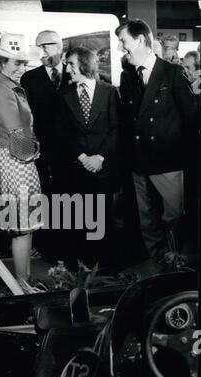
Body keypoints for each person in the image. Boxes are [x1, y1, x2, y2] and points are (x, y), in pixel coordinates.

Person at [116, 19, 198, 271]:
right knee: (147, 219)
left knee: (173, 216)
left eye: (124, 42)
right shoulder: (127, 75)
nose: (121, 48)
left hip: (169, 161)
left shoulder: (173, 73)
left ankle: (176, 262)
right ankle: (158, 262)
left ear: (140, 40)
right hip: (139, 163)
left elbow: (191, 120)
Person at [0, 33, 44, 290]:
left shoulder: (6, 85)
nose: (22, 68)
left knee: (25, 227)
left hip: (18, 162)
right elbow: (18, 138)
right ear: (1, 60)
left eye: (24, 63)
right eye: (16, 63)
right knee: (22, 228)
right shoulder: (3, 90)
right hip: (18, 163)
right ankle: (21, 286)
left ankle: (24, 282)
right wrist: (35, 151)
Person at [57, 46, 120, 268]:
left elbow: (116, 129)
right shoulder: (64, 96)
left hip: (103, 169)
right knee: (79, 219)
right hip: (77, 169)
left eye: (71, 64)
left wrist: (100, 158)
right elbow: (63, 133)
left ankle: (102, 265)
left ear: (85, 64)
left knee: (102, 219)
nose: (67, 69)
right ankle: (81, 265)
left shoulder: (110, 92)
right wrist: (83, 158)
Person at [20, 30, 70, 193]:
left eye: (45, 45)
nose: (41, 50)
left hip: (74, 150)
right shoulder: (28, 78)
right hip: (44, 151)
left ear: (60, 47)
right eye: (38, 46)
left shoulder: (75, 73)